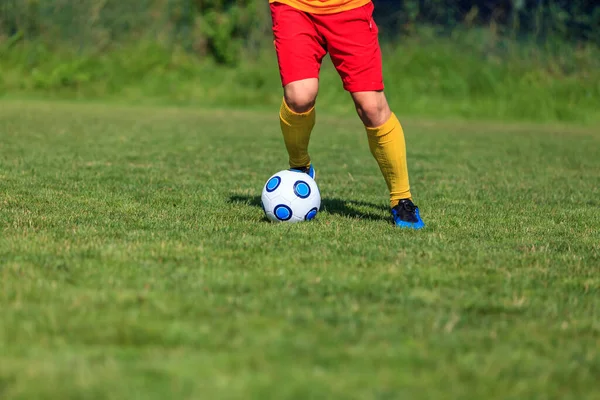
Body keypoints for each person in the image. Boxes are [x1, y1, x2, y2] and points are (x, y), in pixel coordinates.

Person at [269, 0, 425, 229]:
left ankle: (402, 199)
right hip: (294, 6)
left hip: (349, 7)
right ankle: (300, 166)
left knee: (371, 107)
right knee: (299, 96)